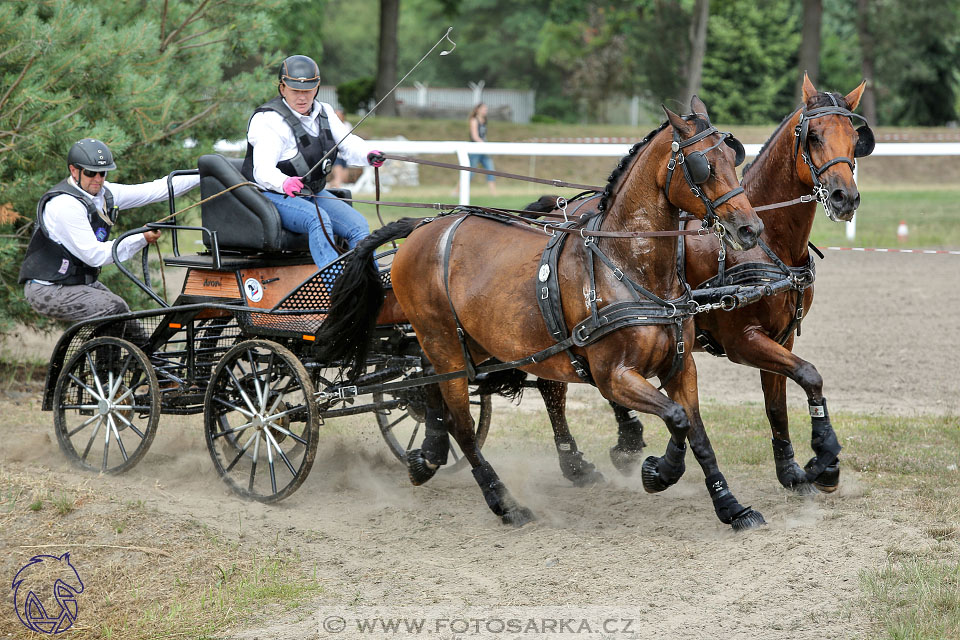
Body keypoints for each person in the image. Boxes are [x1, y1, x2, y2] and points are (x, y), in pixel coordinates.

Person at [18, 138, 200, 335]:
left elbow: (156, 190)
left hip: (77, 283)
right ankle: (107, 366)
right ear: (73, 170)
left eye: (102, 173)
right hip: (48, 290)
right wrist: (141, 237)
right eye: (90, 173)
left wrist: (207, 173)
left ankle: (146, 363)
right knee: (114, 307)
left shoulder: (105, 194)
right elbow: (95, 256)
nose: (98, 178)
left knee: (131, 328)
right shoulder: (65, 206)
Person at [241, 54, 384, 270]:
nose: (302, 97)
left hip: (311, 193)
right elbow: (262, 170)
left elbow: (347, 143)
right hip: (272, 195)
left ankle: (367, 284)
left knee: (359, 226)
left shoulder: (325, 112)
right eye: (295, 91)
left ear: (316, 88)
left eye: (307, 91)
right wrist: (284, 182)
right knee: (319, 221)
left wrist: (367, 153)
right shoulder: (268, 120)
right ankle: (335, 289)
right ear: (282, 89)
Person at [467, 102, 496, 194]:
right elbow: (475, 136)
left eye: (486, 109)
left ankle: (493, 193)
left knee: (490, 169)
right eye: (483, 109)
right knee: (470, 173)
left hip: (483, 149)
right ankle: (456, 192)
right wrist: (484, 144)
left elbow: (483, 135)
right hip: (475, 150)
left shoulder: (484, 120)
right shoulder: (474, 120)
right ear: (477, 110)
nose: (485, 111)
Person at [328, 108, 351, 188]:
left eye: (339, 115)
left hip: (344, 155)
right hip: (336, 154)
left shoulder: (347, 125)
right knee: (338, 178)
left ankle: (329, 188)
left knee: (344, 177)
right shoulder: (330, 125)